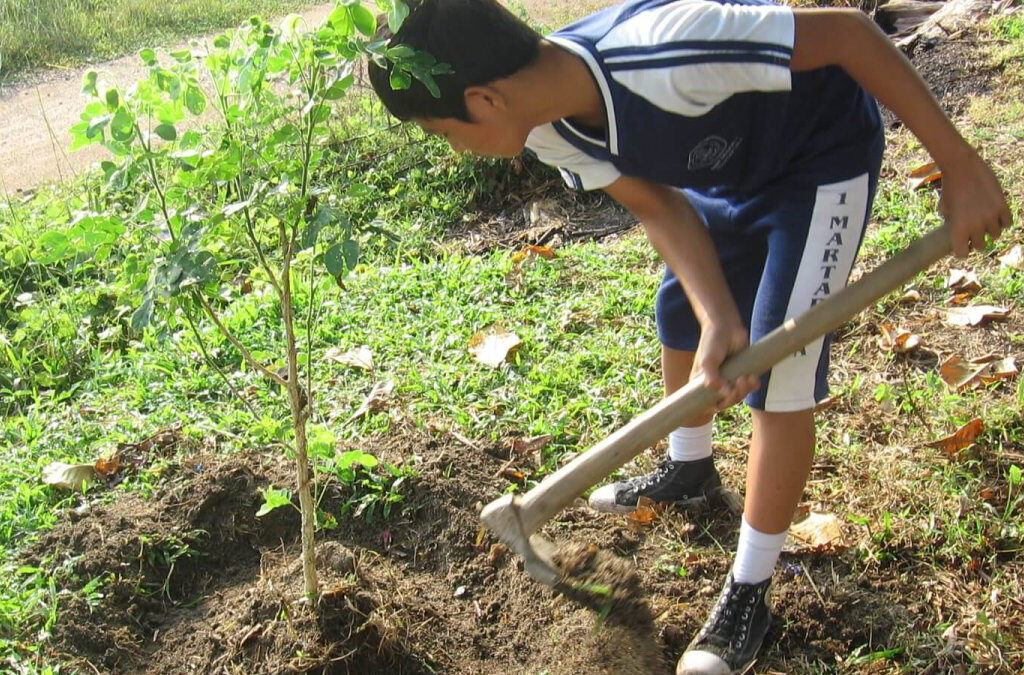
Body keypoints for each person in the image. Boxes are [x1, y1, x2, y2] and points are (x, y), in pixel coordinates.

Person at [367, 0, 1011, 672]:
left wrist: (958, 165)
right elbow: (656, 203)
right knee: (682, 308)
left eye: (444, 132)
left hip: (819, 158)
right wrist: (717, 317)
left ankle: (751, 587)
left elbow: (850, 35)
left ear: (483, 98)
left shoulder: (663, 52)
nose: (453, 147)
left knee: (782, 370)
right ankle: (692, 467)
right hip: (730, 177)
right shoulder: (545, 122)